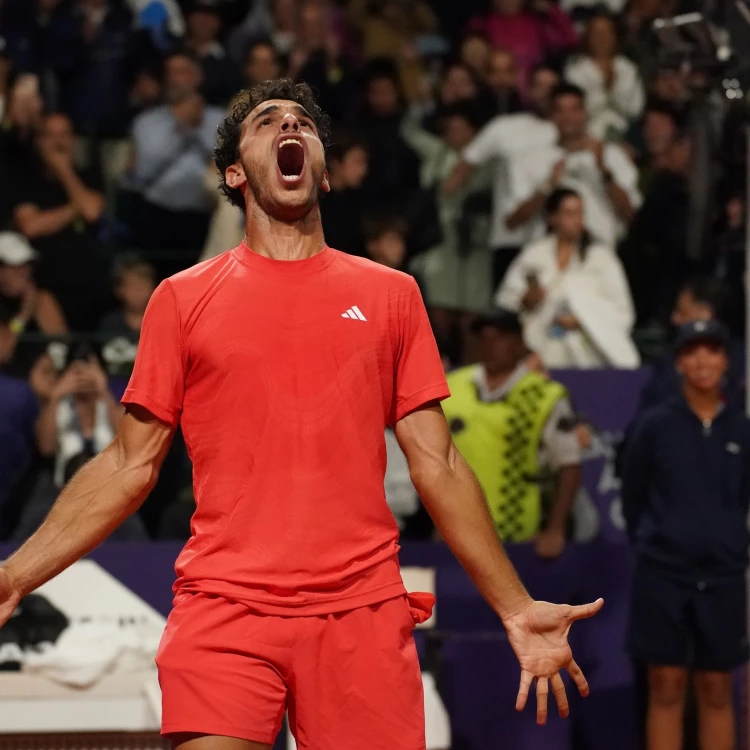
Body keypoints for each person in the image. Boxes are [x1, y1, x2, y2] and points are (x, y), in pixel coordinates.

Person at [0, 79, 601, 749]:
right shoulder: (181, 299)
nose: (291, 126)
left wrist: (516, 607)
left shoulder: (392, 295)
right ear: (236, 172)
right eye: (268, 121)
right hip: (223, 607)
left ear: (322, 169)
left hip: (361, 612)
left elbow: (439, 463)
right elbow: (126, 464)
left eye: (304, 124)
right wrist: (14, 576)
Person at [622, 319, 750, 750]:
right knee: (666, 683)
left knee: (716, 686)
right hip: (664, 574)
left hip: (725, 577)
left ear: (726, 361)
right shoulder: (655, 425)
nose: (702, 361)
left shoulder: (743, 430)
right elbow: (632, 495)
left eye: (712, 351)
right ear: (679, 362)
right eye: (692, 351)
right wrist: (656, 541)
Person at [442, 309, 582, 558]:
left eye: (500, 337)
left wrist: (555, 529)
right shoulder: (449, 388)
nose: (491, 345)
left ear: (519, 342)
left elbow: (569, 464)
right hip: (452, 531)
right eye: (484, 337)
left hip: (518, 533)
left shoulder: (543, 395)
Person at [443, 64, 560, 286]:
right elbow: (463, 168)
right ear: (529, 89)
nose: (545, 92)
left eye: (551, 86)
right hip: (510, 240)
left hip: (557, 243)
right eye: (539, 85)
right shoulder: (505, 127)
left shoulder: (571, 134)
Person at [496, 188, 639, 368]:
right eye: (569, 213)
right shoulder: (533, 255)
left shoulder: (601, 257)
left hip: (589, 350)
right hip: (542, 348)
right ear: (553, 217)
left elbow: (622, 309)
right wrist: (527, 300)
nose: (577, 220)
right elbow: (508, 301)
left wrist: (584, 319)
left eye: (580, 213)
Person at [505, 83, 641, 249]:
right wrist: (547, 185)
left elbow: (632, 217)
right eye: (560, 110)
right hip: (546, 259)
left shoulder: (612, 156)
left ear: (585, 113)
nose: (568, 116)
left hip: (599, 258)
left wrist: (603, 171)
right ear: (552, 116)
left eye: (574, 109)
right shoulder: (528, 159)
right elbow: (512, 223)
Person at [10, 112, 109, 330]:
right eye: (50, 135)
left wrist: (64, 171)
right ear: (38, 141)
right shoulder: (26, 179)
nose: (58, 142)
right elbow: (31, 226)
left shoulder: (88, 174)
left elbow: (92, 212)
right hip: (47, 282)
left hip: (91, 283)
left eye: (64, 135)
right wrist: (76, 208)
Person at [128, 51, 225, 255]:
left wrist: (198, 132)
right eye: (170, 72)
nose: (173, 78)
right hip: (159, 218)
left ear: (197, 77)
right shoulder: (146, 122)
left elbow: (228, 167)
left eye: (181, 72)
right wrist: (180, 130)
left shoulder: (221, 120)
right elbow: (143, 174)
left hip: (209, 216)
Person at [564, 11, 644, 141]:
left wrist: (614, 91)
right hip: (587, 135)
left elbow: (636, 109)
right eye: (596, 33)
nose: (601, 38)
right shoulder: (576, 69)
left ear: (615, 36)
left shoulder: (628, 68)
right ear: (587, 37)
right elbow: (575, 109)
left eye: (606, 32)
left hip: (626, 136)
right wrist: (603, 90)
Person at [0, 232, 67, 366]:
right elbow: (2, 354)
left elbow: (62, 349)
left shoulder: (41, 299)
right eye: (16, 266)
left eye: (27, 265)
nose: (24, 272)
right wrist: (24, 314)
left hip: (37, 379)